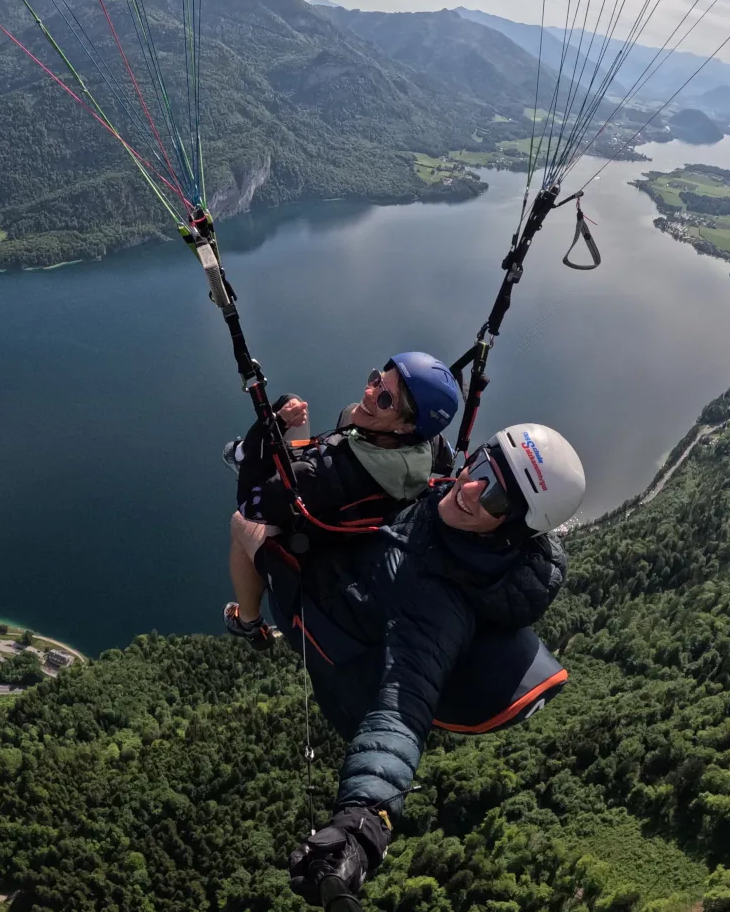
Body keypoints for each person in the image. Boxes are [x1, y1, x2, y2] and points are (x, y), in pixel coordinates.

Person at [269, 423, 588, 907]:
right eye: (482, 465)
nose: (471, 489)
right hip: (348, 576)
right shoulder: (456, 511)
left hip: (321, 617)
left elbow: (403, 709)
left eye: (498, 498)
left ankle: (248, 622)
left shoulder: (441, 604)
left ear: (514, 530)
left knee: (249, 529)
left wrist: (363, 824)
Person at [222, 353, 461, 650]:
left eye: (385, 399)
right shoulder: (428, 445)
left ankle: (249, 623)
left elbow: (250, 502)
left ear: (406, 427)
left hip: (310, 554)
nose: (369, 392)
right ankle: (254, 451)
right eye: (376, 380)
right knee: (325, 407)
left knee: (239, 521)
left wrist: (273, 427)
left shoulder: (317, 476)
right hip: (351, 516)